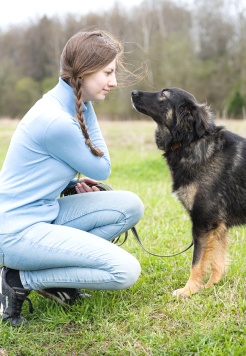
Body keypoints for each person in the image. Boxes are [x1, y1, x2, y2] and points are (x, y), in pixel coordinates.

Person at [0, 28, 144, 326]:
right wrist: (88, 105)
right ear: (84, 73)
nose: (113, 82)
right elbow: (102, 167)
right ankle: (18, 279)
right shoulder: (55, 119)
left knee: (129, 205)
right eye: (107, 72)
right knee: (125, 271)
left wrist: (68, 185)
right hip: (16, 232)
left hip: (42, 214)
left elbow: (32, 170)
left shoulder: (58, 105)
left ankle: (55, 276)